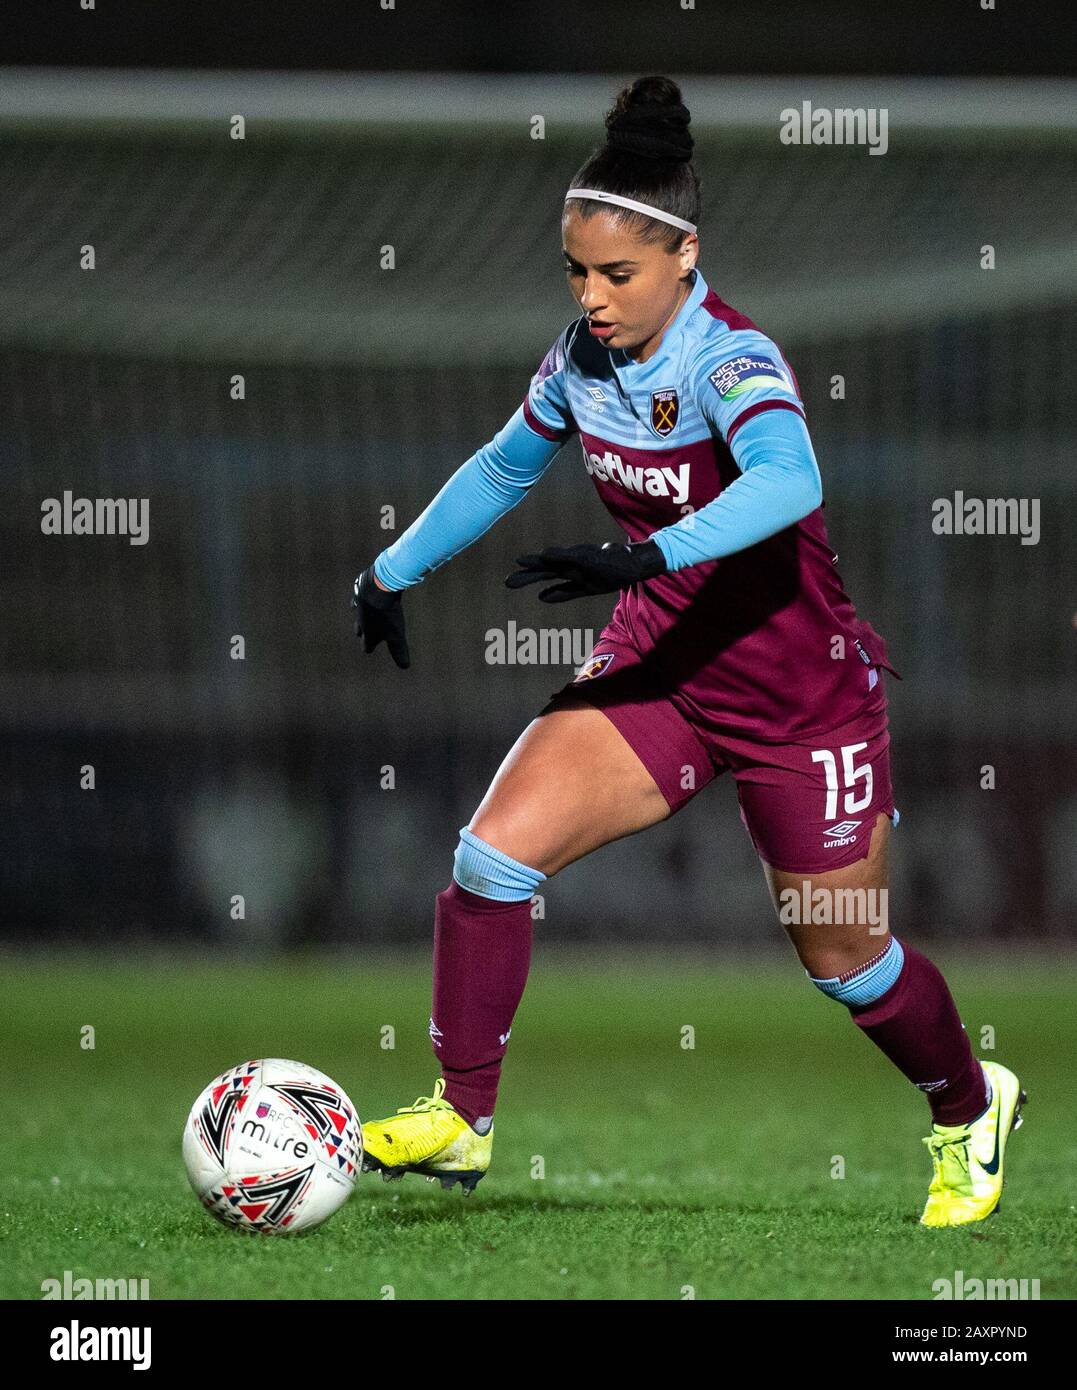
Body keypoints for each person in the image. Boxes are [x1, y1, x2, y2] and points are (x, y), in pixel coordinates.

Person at [351, 75, 1025, 1226]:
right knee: (490, 860)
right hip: (662, 670)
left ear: (683, 258)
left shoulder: (730, 358)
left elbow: (791, 479)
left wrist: (653, 557)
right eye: (577, 272)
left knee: (849, 967)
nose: (594, 296)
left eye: (618, 275)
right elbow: (508, 466)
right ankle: (464, 1114)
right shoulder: (580, 360)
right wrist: (390, 570)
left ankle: (970, 1106)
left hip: (799, 700)